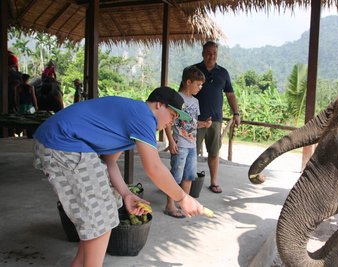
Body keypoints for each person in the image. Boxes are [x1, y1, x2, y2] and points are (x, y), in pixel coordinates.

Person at [32, 86, 205, 267]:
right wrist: (182, 197)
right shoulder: (144, 116)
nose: (171, 122)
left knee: (106, 208)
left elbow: (110, 163)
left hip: (58, 142)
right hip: (61, 143)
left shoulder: (133, 117)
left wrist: (126, 194)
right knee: (101, 220)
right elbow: (154, 167)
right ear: (159, 105)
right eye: (172, 115)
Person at [164, 66, 212, 218]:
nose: (200, 87)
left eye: (201, 85)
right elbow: (167, 122)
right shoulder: (176, 98)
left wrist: (204, 124)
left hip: (192, 145)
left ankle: (184, 205)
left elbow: (192, 123)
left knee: (189, 176)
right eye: (198, 84)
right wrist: (171, 141)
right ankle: (169, 206)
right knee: (175, 177)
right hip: (180, 145)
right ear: (188, 82)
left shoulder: (195, 102)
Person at [194, 40, 241, 194]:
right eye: (208, 53)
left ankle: (214, 182)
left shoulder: (223, 72)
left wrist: (236, 113)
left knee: (214, 152)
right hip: (195, 119)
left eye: (214, 53)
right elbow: (183, 92)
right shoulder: (194, 70)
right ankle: (185, 180)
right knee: (189, 152)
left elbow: (230, 95)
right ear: (203, 53)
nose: (211, 56)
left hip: (215, 120)